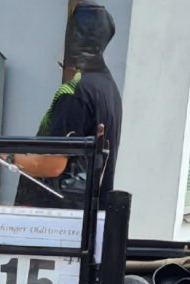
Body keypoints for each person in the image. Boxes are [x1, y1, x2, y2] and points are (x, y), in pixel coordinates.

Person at [14, 1, 123, 209]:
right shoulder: (108, 88)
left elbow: (53, 165)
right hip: (89, 216)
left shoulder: (74, 92)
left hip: (60, 221)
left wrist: (6, 157)